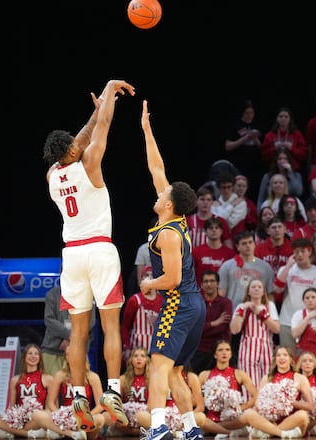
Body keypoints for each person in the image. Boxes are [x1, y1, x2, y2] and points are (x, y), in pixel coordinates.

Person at [43, 79, 134, 429]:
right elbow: (102, 130)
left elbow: (81, 139)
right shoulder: (90, 163)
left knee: (78, 333)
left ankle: (79, 395)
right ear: (73, 151)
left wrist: (93, 115)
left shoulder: (53, 175)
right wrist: (109, 92)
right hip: (99, 250)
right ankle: (111, 390)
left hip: (72, 255)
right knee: (110, 326)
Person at [139, 99, 206, 440]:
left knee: (158, 366)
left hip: (179, 302)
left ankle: (158, 426)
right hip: (194, 305)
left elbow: (174, 278)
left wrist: (150, 283)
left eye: (161, 193)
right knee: (177, 371)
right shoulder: (175, 218)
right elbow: (156, 169)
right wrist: (147, 130)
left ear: (167, 204)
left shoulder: (167, 233)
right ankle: (192, 429)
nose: (158, 191)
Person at [242, 346, 312, 439]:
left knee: (303, 416)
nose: (282, 358)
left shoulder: (299, 378)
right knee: (249, 413)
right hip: (270, 420)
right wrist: (269, 408)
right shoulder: (267, 378)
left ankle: (270, 433)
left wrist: (288, 402)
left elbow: (310, 406)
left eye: (285, 355)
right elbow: (258, 402)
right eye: (278, 355)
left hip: (291, 421)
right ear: (275, 360)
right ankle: (281, 433)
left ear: (291, 359)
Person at [274, 238, 316, 351]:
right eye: (296, 252)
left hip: (310, 324)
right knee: (288, 359)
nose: (299, 255)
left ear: (309, 252)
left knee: (307, 361)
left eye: (303, 251)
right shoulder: (286, 270)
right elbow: (277, 289)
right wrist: (288, 265)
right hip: (286, 322)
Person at [0, 344, 53, 439]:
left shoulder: (48, 379)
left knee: (42, 417)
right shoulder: (15, 380)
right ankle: (27, 434)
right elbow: (11, 407)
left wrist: (37, 415)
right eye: (30, 353)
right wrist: (13, 418)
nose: (33, 356)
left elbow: (49, 408)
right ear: (24, 357)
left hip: (36, 419)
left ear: (40, 358)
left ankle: (10, 431)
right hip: (18, 419)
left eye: (36, 354)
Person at [29, 359, 106, 440]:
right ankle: (73, 434)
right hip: (65, 416)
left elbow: (100, 405)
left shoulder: (92, 376)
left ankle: (64, 432)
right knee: (36, 414)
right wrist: (59, 416)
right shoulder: (60, 375)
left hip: (84, 418)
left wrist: (87, 416)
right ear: (66, 358)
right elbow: (51, 402)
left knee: (101, 418)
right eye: (69, 354)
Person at [196, 341, 257, 434]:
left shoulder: (239, 374)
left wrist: (241, 407)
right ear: (215, 355)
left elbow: (256, 395)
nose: (224, 353)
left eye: (227, 350)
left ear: (231, 354)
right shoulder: (204, 375)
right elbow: (193, 398)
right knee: (200, 418)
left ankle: (215, 430)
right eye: (220, 350)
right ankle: (223, 431)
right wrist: (205, 402)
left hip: (232, 420)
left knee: (248, 416)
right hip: (210, 419)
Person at [229, 278, 280, 389]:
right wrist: (242, 310)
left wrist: (262, 315)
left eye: (259, 287)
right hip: (248, 348)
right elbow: (234, 330)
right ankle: (249, 404)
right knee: (249, 382)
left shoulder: (269, 306)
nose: (256, 289)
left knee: (268, 383)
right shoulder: (241, 307)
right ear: (248, 291)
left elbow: (276, 329)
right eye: (253, 287)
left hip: (266, 347)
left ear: (263, 292)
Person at [41, 285, 96, 375]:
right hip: (52, 350)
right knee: (51, 385)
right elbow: (49, 320)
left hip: (79, 348)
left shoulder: (88, 295)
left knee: (80, 385)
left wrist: (70, 339)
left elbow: (90, 322)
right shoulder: (52, 294)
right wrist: (68, 335)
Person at [190, 271, 232, 373]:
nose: (209, 284)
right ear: (201, 285)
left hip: (220, 351)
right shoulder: (195, 303)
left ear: (218, 284)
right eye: (206, 281)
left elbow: (222, 327)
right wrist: (214, 323)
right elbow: (193, 329)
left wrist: (204, 327)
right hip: (198, 351)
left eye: (212, 281)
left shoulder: (226, 303)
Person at [121, 266, 163, 367]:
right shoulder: (135, 300)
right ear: (141, 279)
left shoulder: (163, 301)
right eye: (146, 276)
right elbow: (125, 326)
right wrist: (126, 347)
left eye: (152, 276)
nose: (149, 279)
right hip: (137, 350)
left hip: (156, 351)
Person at [223, 100, 264, 189]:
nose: (250, 115)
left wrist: (256, 139)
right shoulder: (235, 126)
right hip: (239, 162)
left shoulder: (258, 125)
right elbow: (228, 146)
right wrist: (245, 138)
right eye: (247, 113)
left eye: (252, 113)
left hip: (255, 163)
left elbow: (263, 148)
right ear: (242, 113)